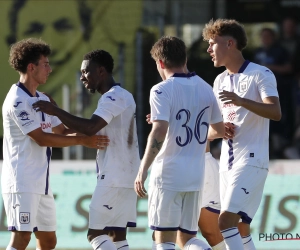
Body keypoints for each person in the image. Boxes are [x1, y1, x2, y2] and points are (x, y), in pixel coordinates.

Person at [2, 38, 108, 250]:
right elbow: (41, 138)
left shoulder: (42, 98)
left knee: (49, 241)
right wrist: (82, 140)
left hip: (42, 183)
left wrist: (98, 127)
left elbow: (62, 130)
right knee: (22, 238)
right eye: (46, 64)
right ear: (31, 68)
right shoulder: (16, 100)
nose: (50, 69)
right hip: (21, 181)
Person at [33, 49, 140, 250]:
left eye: (86, 72)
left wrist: (55, 110)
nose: (82, 77)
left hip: (114, 176)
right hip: (126, 174)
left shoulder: (112, 97)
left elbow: (90, 128)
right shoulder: (122, 96)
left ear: (101, 71)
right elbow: (75, 128)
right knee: (116, 236)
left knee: (95, 234)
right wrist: (57, 113)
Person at [134, 36, 224, 250]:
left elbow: (159, 131)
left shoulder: (161, 89)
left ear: (161, 63)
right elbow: (219, 130)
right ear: (184, 58)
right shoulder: (205, 87)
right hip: (195, 174)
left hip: (168, 174)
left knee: (162, 240)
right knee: (188, 239)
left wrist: (142, 169)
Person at [202, 19, 281, 250]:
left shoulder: (260, 74)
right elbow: (213, 128)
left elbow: (275, 112)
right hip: (225, 164)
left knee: (225, 222)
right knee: (239, 228)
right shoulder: (219, 81)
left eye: (212, 44)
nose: (208, 50)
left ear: (229, 43)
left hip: (251, 162)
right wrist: (216, 130)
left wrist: (242, 101)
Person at [253, 27, 292, 158]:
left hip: (280, 91)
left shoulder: (280, 51)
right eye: (263, 36)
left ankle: (278, 150)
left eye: (268, 36)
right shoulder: (258, 52)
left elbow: (289, 68)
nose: (265, 39)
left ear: (273, 37)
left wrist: (270, 68)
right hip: (259, 93)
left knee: (277, 120)